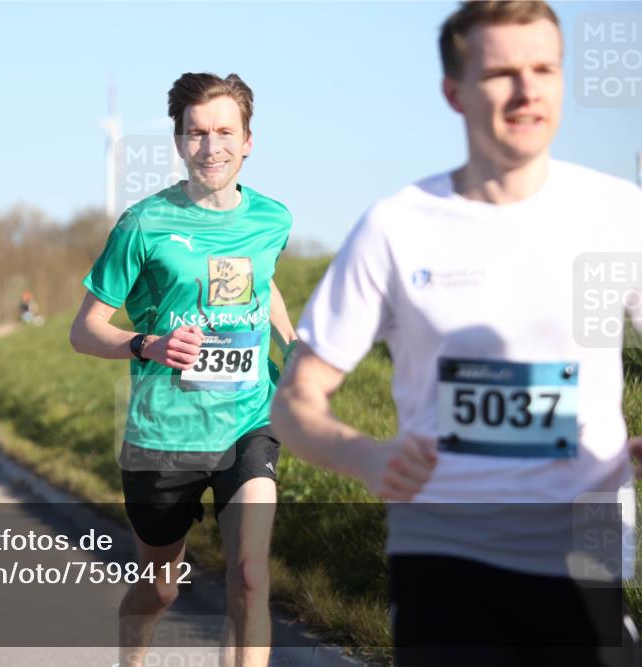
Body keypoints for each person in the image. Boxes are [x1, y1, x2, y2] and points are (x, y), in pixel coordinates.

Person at [271, 2, 642, 664]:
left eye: (545, 68)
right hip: (443, 550)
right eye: (502, 72)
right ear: (454, 92)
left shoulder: (618, 216)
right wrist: (366, 457)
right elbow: (295, 401)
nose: (528, 91)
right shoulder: (397, 226)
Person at [70, 72, 296, 667]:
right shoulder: (142, 224)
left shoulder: (273, 219)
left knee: (249, 577)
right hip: (164, 433)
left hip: (249, 416)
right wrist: (147, 343)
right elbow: (84, 330)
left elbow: (261, 282)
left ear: (249, 140)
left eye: (225, 131)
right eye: (196, 133)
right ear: (178, 142)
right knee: (161, 587)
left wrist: (292, 342)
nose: (211, 146)